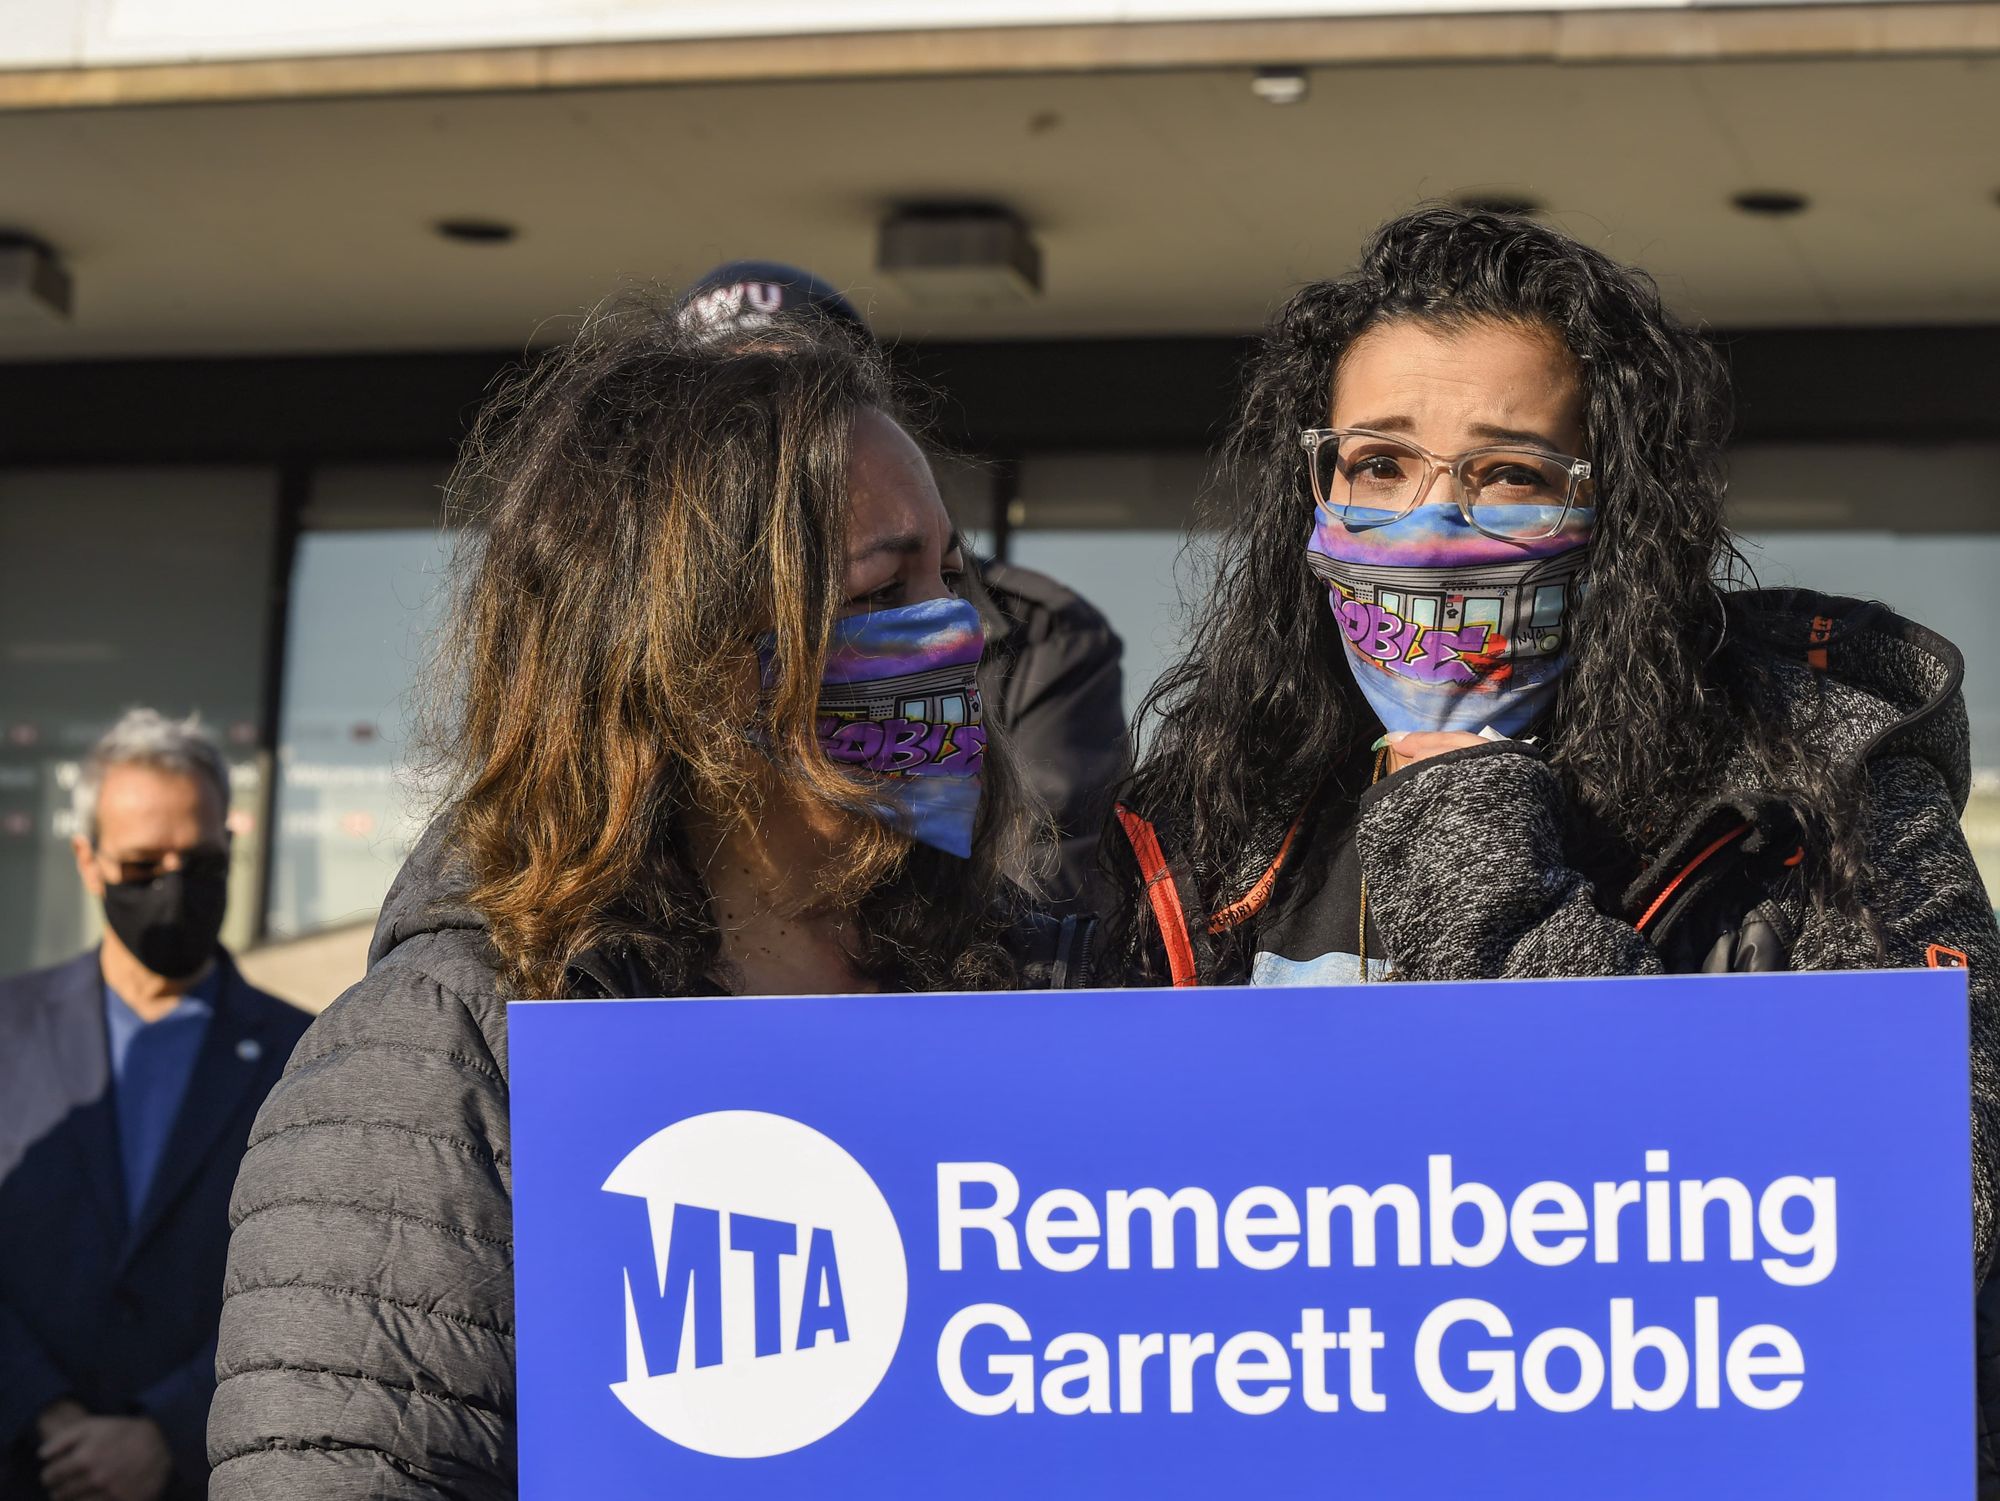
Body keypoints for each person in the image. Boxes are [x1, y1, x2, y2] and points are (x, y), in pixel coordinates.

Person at [1105, 207, 2000, 1463]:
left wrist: (1469, 824)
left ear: (1618, 517)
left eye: (1507, 473)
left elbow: (1912, 1229)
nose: (1430, 527)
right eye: (1377, 465)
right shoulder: (1208, 814)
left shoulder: (1821, 789)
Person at [207, 304, 1094, 1498]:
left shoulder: (1030, 995)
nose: (965, 631)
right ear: (694, 642)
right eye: (889, 589)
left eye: (953, 573)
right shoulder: (450, 1052)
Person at [678, 259, 1130, 909]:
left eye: (804, 395)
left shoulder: (1038, 634)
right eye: (731, 415)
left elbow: (1052, 882)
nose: (772, 445)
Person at [0, 710, 309, 1501]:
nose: (171, 889)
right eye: (142, 865)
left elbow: (306, 1280)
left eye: (198, 862)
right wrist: (45, 1410)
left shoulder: (306, 1056)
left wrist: (169, 1429)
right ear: (87, 860)